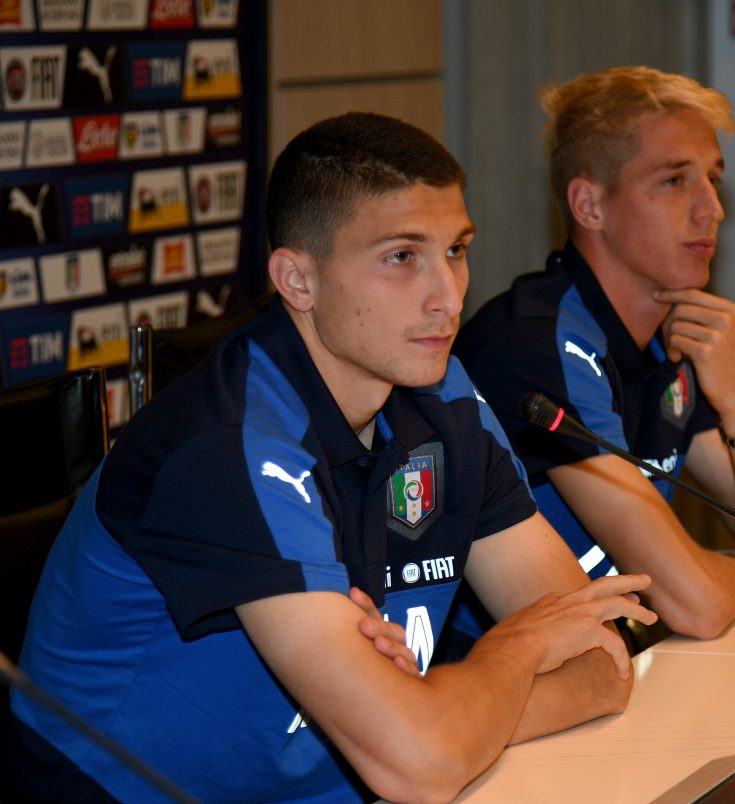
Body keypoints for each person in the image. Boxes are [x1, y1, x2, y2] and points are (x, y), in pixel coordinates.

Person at [6, 113, 656, 803]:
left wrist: (437, 719)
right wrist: (514, 652)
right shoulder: (228, 447)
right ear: (298, 280)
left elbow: (603, 663)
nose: (448, 296)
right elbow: (421, 764)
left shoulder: (445, 393)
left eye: (457, 250)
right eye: (402, 256)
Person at [453, 66, 735, 645]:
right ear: (589, 205)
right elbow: (693, 603)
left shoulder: (674, 332)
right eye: (674, 182)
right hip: (497, 682)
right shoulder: (533, 346)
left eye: (713, 180)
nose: (711, 210)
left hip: (612, 659)